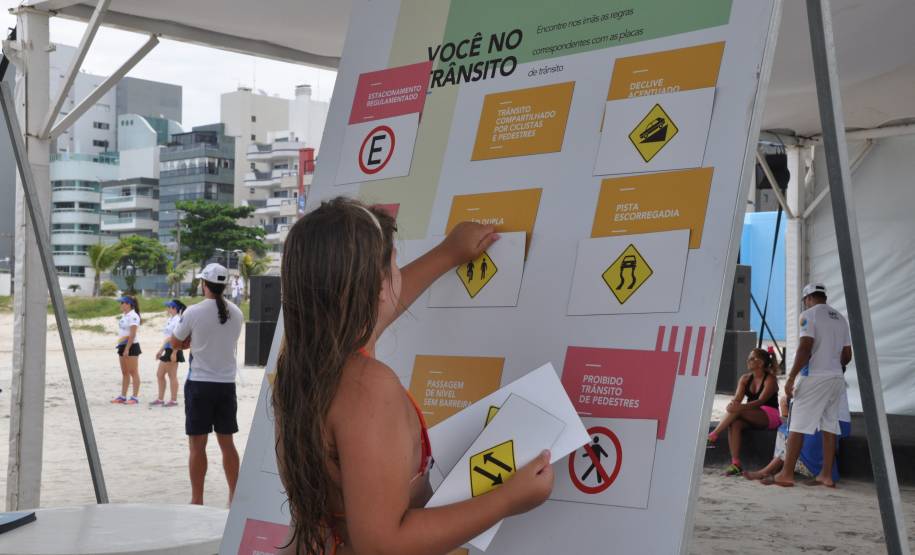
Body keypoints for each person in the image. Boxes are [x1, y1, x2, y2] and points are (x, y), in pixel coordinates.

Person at [272, 198, 554, 555]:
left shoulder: (303, 363)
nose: (400, 275)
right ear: (376, 287)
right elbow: (382, 544)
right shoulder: (367, 388)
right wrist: (509, 499)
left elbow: (373, 312)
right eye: (394, 265)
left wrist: (448, 254)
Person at [170, 263, 244, 505]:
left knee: (197, 446)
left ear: (204, 284)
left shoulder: (193, 312)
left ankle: (197, 500)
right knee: (227, 443)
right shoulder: (237, 312)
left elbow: (175, 342)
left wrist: (188, 342)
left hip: (200, 383)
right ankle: (234, 498)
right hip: (225, 384)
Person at [768, 282, 851, 488]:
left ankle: (786, 474)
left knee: (796, 425)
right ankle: (826, 475)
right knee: (830, 426)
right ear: (824, 297)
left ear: (807, 299)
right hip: (836, 378)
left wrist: (791, 377)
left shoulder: (808, 315)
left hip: (815, 377)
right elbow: (847, 355)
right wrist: (833, 365)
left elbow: (805, 347)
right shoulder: (841, 318)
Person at [707, 348, 781, 475]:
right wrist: (732, 404)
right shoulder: (745, 379)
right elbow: (737, 399)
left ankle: (713, 435)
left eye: (752, 358)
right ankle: (736, 463)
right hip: (752, 412)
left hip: (770, 414)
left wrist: (738, 407)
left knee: (738, 411)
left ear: (761, 363)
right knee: (735, 423)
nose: (748, 360)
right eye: (749, 358)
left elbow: (760, 401)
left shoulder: (770, 379)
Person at [151, 299, 187, 407]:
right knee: (160, 374)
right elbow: (167, 338)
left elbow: (178, 337)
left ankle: (173, 400)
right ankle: (160, 398)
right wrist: (161, 350)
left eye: (169, 307)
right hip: (168, 349)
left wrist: (174, 352)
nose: (167, 309)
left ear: (174, 308)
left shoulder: (178, 320)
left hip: (174, 349)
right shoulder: (171, 319)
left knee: (172, 375)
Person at [111, 295, 142, 405]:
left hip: (131, 346)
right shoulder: (125, 315)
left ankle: (135, 397)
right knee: (125, 372)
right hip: (122, 346)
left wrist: (127, 349)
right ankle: (123, 396)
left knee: (133, 372)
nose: (120, 305)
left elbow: (132, 335)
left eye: (122, 303)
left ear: (128, 304)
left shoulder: (133, 316)